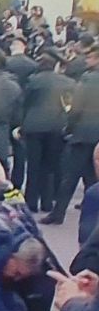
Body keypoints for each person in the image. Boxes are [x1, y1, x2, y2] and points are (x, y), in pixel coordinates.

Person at [44, 46, 99, 225]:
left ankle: (58, 213)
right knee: (92, 176)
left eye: (90, 58)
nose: (87, 61)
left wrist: (69, 127)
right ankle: (92, 214)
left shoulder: (87, 78)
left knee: (70, 175)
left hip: (83, 132)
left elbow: (77, 107)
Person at [20, 48, 73, 215]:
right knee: (50, 166)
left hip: (33, 126)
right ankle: (47, 202)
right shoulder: (67, 82)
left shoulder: (32, 80)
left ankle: (31, 202)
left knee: (33, 166)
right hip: (56, 127)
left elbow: (25, 103)